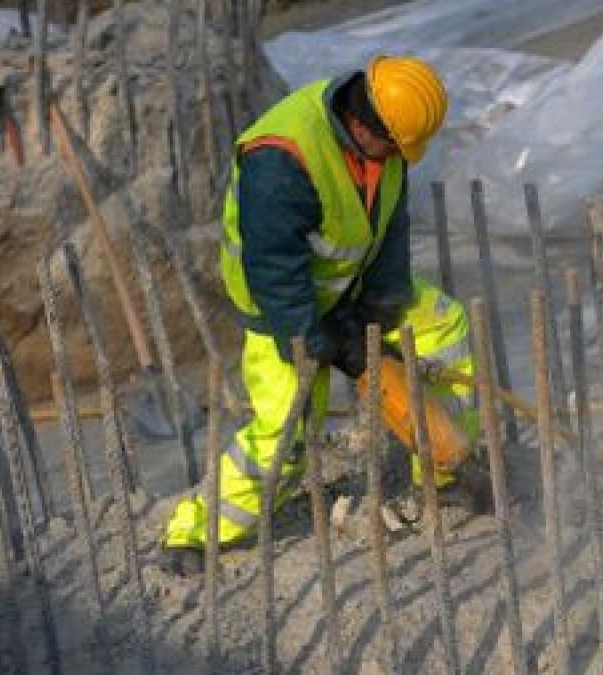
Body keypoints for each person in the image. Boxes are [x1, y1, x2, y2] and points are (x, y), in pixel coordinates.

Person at [163, 56, 485, 574]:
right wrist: (322, 340)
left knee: (441, 322)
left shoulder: (386, 139)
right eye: (396, 148)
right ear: (362, 125)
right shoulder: (280, 162)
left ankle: (452, 465)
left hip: (347, 285)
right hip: (281, 307)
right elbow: (272, 268)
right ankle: (194, 530)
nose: (402, 158)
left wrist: (379, 308)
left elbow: (388, 228)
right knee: (285, 432)